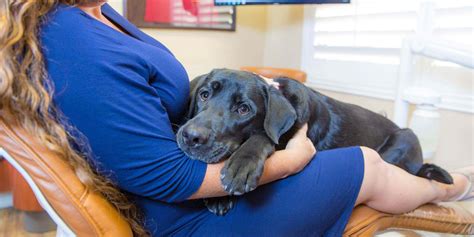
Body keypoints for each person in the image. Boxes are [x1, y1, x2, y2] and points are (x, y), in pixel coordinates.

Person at [1, 0, 472, 236]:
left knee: (378, 157)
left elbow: (142, 102)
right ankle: (454, 193)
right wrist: (291, 160)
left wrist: (245, 94)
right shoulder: (69, 34)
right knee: (365, 164)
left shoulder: (96, 13)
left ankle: (446, 184)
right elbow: (164, 176)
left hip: (196, 186)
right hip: (185, 215)